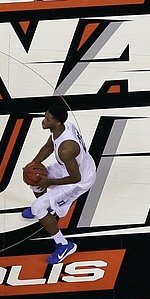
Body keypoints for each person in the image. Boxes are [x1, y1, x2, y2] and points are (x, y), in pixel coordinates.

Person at [21, 104, 97, 264]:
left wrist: (49, 181)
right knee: (33, 179)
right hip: (69, 168)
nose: (43, 120)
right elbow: (49, 146)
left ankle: (64, 245)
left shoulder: (66, 149)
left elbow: (75, 178)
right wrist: (33, 164)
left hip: (80, 180)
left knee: (37, 207)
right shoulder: (62, 127)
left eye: (47, 119)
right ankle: (48, 207)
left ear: (56, 122)